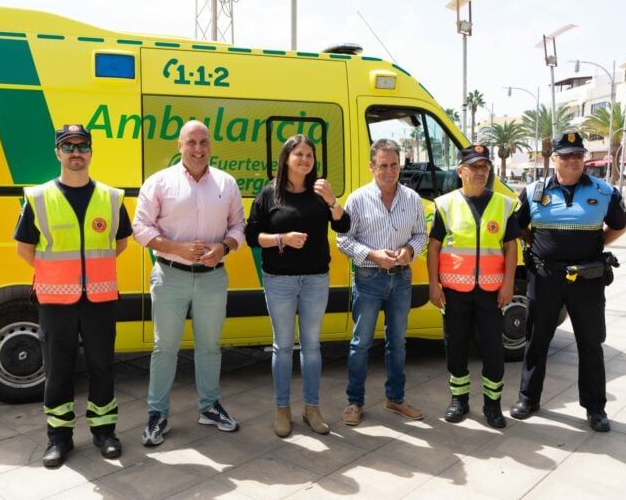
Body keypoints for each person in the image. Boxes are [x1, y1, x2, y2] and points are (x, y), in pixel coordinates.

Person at [14, 124, 132, 468]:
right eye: (69, 147)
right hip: (55, 301)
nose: (76, 153)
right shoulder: (38, 197)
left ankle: (104, 433)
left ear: (91, 152)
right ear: (58, 153)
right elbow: (24, 248)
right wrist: (56, 274)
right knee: (58, 370)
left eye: (82, 146)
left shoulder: (110, 197)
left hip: (99, 299)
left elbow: (120, 242)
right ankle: (59, 439)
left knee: (102, 367)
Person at [133, 120, 245, 446]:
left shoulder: (226, 183)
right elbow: (141, 229)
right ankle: (157, 413)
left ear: (211, 145)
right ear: (179, 146)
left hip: (212, 278)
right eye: (191, 142)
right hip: (171, 275)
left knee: (209, 347)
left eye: (204, 142)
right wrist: (178, 248)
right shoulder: (159, 183)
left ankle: (209, 407)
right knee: (164, 348)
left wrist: (223, 247)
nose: (198, 149)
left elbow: (239, 227)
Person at [510, 132, 626, 432]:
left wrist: (597, 243)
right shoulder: (534, 191)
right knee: (537, 340)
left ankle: (595, 408)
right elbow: (520, 228)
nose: (573, 160)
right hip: (545, 277)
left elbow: (618, 225)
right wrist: (541, 250)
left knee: (590, 343)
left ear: (584, 158)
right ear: (554, 159)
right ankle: (528, 398)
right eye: (566, 155)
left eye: (578, 154)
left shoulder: (604, 191)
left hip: (587, 279)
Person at [245, 135, 351, 437]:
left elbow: (343, 226)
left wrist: (333, 201)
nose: (305, 160)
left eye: (309, 155)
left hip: (316, 279)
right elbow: (252, 237)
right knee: (281, 347)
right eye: (299, 154)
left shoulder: (320, 192)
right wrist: (282, 239)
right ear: (286, 159)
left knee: (312, 347)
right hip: (279, 280)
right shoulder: (269, 194)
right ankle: (282, 409)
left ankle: (312, 408)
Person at [336, 138, 428, 426]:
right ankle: (355, 402)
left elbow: (421, 234)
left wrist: (409, 250)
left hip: (401, 280)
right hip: (368, 279)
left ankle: (395, 398)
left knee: (397, 343)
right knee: (361, 343)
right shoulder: (357, 199)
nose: (389, 171)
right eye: (383, 165)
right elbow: (343, 240)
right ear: (372, 167)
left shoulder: (412, 198)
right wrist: (373, 255)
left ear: (400, 166)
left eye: (394, 165)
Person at [427, 145, 519, 428]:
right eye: (474, 167)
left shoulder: (503, 205)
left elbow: (510, 247)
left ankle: (492, 406)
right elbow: (434, 247)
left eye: (484, 167)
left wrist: (508, 285)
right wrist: (434, 285)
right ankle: (460, 400)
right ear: (461, 171)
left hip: (492, 293)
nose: (480, 172)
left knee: (493, 350)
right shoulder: (445, 204)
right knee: (456, 347)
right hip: (454, 292)